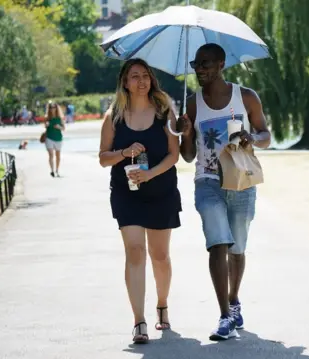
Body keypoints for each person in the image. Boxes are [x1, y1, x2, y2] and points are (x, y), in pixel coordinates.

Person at [177, 43, 271, 341]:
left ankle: (234, 300)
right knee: (217, 243)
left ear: (221, 64)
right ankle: (224, 316)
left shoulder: (246, 97)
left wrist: (252, 137)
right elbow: (188, 156)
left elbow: (267, 136)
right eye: (196, 64)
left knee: (237, 248)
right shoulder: (192, 104)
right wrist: (187, 132)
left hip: (240, 180)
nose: (200, 69)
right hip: (207, 181)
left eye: (205, 63)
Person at [98, 58, 181, 345]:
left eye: (145, 75)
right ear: (125, 82)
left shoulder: (164, 112)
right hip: (126, 193)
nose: (141, 81)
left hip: (161, 192)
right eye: (134, 76)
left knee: (160, 255)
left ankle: (162, 304)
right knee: (135, 251)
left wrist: (151, 174)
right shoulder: (114, 117)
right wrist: (124, 152)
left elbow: (174, 154)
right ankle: (139, 321)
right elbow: (103, 158)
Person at [44, 101, 65, 177]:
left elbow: (63, 128)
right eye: (51, 108)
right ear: (49, 109)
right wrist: (46, 125)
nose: (52, 109)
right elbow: (45, 126)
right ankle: (52, 170)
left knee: (58, 156)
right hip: (49, 138)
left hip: (58, 138)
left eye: (54, 107)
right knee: (51, 155)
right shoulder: (47, 118)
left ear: (56, 108)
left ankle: (57, 170)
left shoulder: (60, 117)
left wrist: (59, 127)